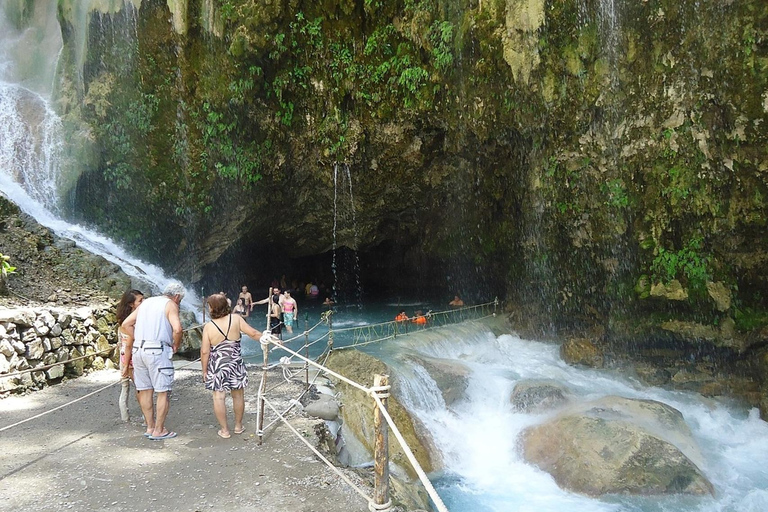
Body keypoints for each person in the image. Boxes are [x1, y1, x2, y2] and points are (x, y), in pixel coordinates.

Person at [121, 282, 185, 440]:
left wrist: (138, 337)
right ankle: (159, 430)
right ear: (176, 296)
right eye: (180, 300)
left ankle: (150, 427)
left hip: (138, 350)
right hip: (157, 350)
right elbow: (177, 329)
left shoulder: (146, 302)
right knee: (163, 391)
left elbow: (125, 324)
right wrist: (175, 344)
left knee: (145, 390)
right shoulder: (170, 305)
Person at [201, 293, 266, 439]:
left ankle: (224, 430)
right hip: (235, 363)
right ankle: (238, 426)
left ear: (212, 308)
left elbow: (205, 352)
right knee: (238, 395)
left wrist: (204, 370)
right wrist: (269, 338)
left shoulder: (209, 327)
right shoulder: (236, 319)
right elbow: (254, 333)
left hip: (217, 365)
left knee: (219, 397)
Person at [116, 289, 144, 422]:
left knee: (125, 389)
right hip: (131, 358)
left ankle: (125, 418)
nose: (143, 303)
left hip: (123, 357)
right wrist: (126, 366)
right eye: (140, 300)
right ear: (131, 304)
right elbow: (128, 345)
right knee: (141, 388)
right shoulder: (132, 322)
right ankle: (146, 417)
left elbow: (121, 343)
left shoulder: (122, 319)